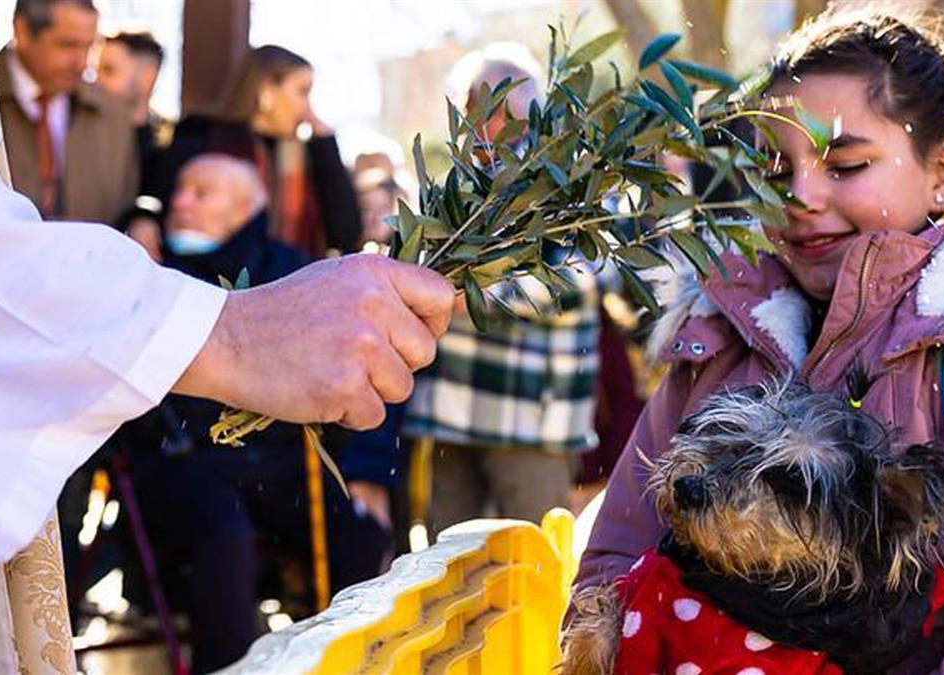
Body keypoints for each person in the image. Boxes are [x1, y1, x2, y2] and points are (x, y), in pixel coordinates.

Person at [577, 7, 944, 673]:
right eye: (777, 171)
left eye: (846, 163)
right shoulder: (720, 334)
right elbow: (614, 565)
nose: (801, 194)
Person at [101, 155, 388, 672]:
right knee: (224, 531)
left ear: (243, 210)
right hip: (178, 458)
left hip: (272, 459)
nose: (179, 201)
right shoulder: (153, 270)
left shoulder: (288, 269)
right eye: (181, 189)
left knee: (359, 530)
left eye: (200, 192)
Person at [402, 44, 601, 532]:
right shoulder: (457, 187)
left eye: (505, 106)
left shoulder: (568, 185)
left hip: (530, 414)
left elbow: (578, 280)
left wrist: (463, 298)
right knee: (447, 567)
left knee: (532, 563)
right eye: (479, 106)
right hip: (451, 409)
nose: (491, 122)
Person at [148, 45, 362, 257]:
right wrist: (142, 218)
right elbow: (158, 198)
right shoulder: (203, 138)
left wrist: (325, 145)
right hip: (208, 280)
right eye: (302, 92)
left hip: (292, 283)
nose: (307, 109)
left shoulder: (305, 155)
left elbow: (345, 233)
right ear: (266, 89)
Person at [0, 0, 138, 223]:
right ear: (23, 31)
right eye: (68, 45)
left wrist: (142, 218)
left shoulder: (112, 116)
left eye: (89, 47)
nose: (82, 63)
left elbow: (127, 208)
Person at [95, 29, 171, 258]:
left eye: (109, 70)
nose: (97, 80)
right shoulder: (82, 134)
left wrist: (144, 216)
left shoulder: (168, 142)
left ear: (147, 77)